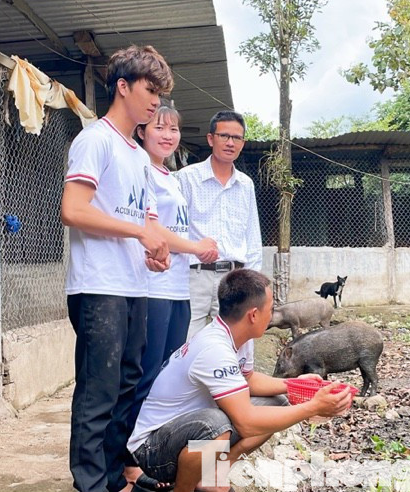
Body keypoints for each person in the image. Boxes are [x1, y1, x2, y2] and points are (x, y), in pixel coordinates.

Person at [59, 44, 173, 492]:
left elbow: (141, 220)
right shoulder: (95, 139)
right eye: (149, 90)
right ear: (122, 87)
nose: (155, 102)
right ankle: (88, 484)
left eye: (160, 94)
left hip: (134, 285)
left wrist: (156, 248)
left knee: (127, 389)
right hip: (98, 287)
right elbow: (73, 209)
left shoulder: (137, 155)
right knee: (98, 393)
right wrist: (137, 233)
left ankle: (111, 479)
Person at [126, 269, 352, 492]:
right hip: (153, 448)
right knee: (214, 425)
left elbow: (249, 380)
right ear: (253, 315)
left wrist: (295, 385)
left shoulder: (240, 336)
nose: (272, 313)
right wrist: (313, 407)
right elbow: (246, 422)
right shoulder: (215, 348)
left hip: (187, 432)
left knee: (278, 402)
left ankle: (214, 473)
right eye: (270, 309)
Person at [122, 106, 219, 490]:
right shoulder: (140, 170)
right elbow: (154, 229)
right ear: (142, 131)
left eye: (174, 128)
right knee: (144, 377)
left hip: (179, 288)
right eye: (159, 127)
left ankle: (160, 454)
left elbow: (176, 228)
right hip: (152, 287)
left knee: (167, 377)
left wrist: (200, 246)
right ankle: (129, 462)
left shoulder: (171, 178)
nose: (168, 134)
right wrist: (197, 247)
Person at [177, 111, 263, 339]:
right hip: (193, 276)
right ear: (210, 138)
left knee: (229, 344)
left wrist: (254, 283)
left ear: (242, 143)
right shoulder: (186, 178)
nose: (230, 142)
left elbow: (252, 235)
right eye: (224, 135)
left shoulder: (246, 185)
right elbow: (175, 229)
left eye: (236, 138)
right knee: (184, 343)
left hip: (234, 278)